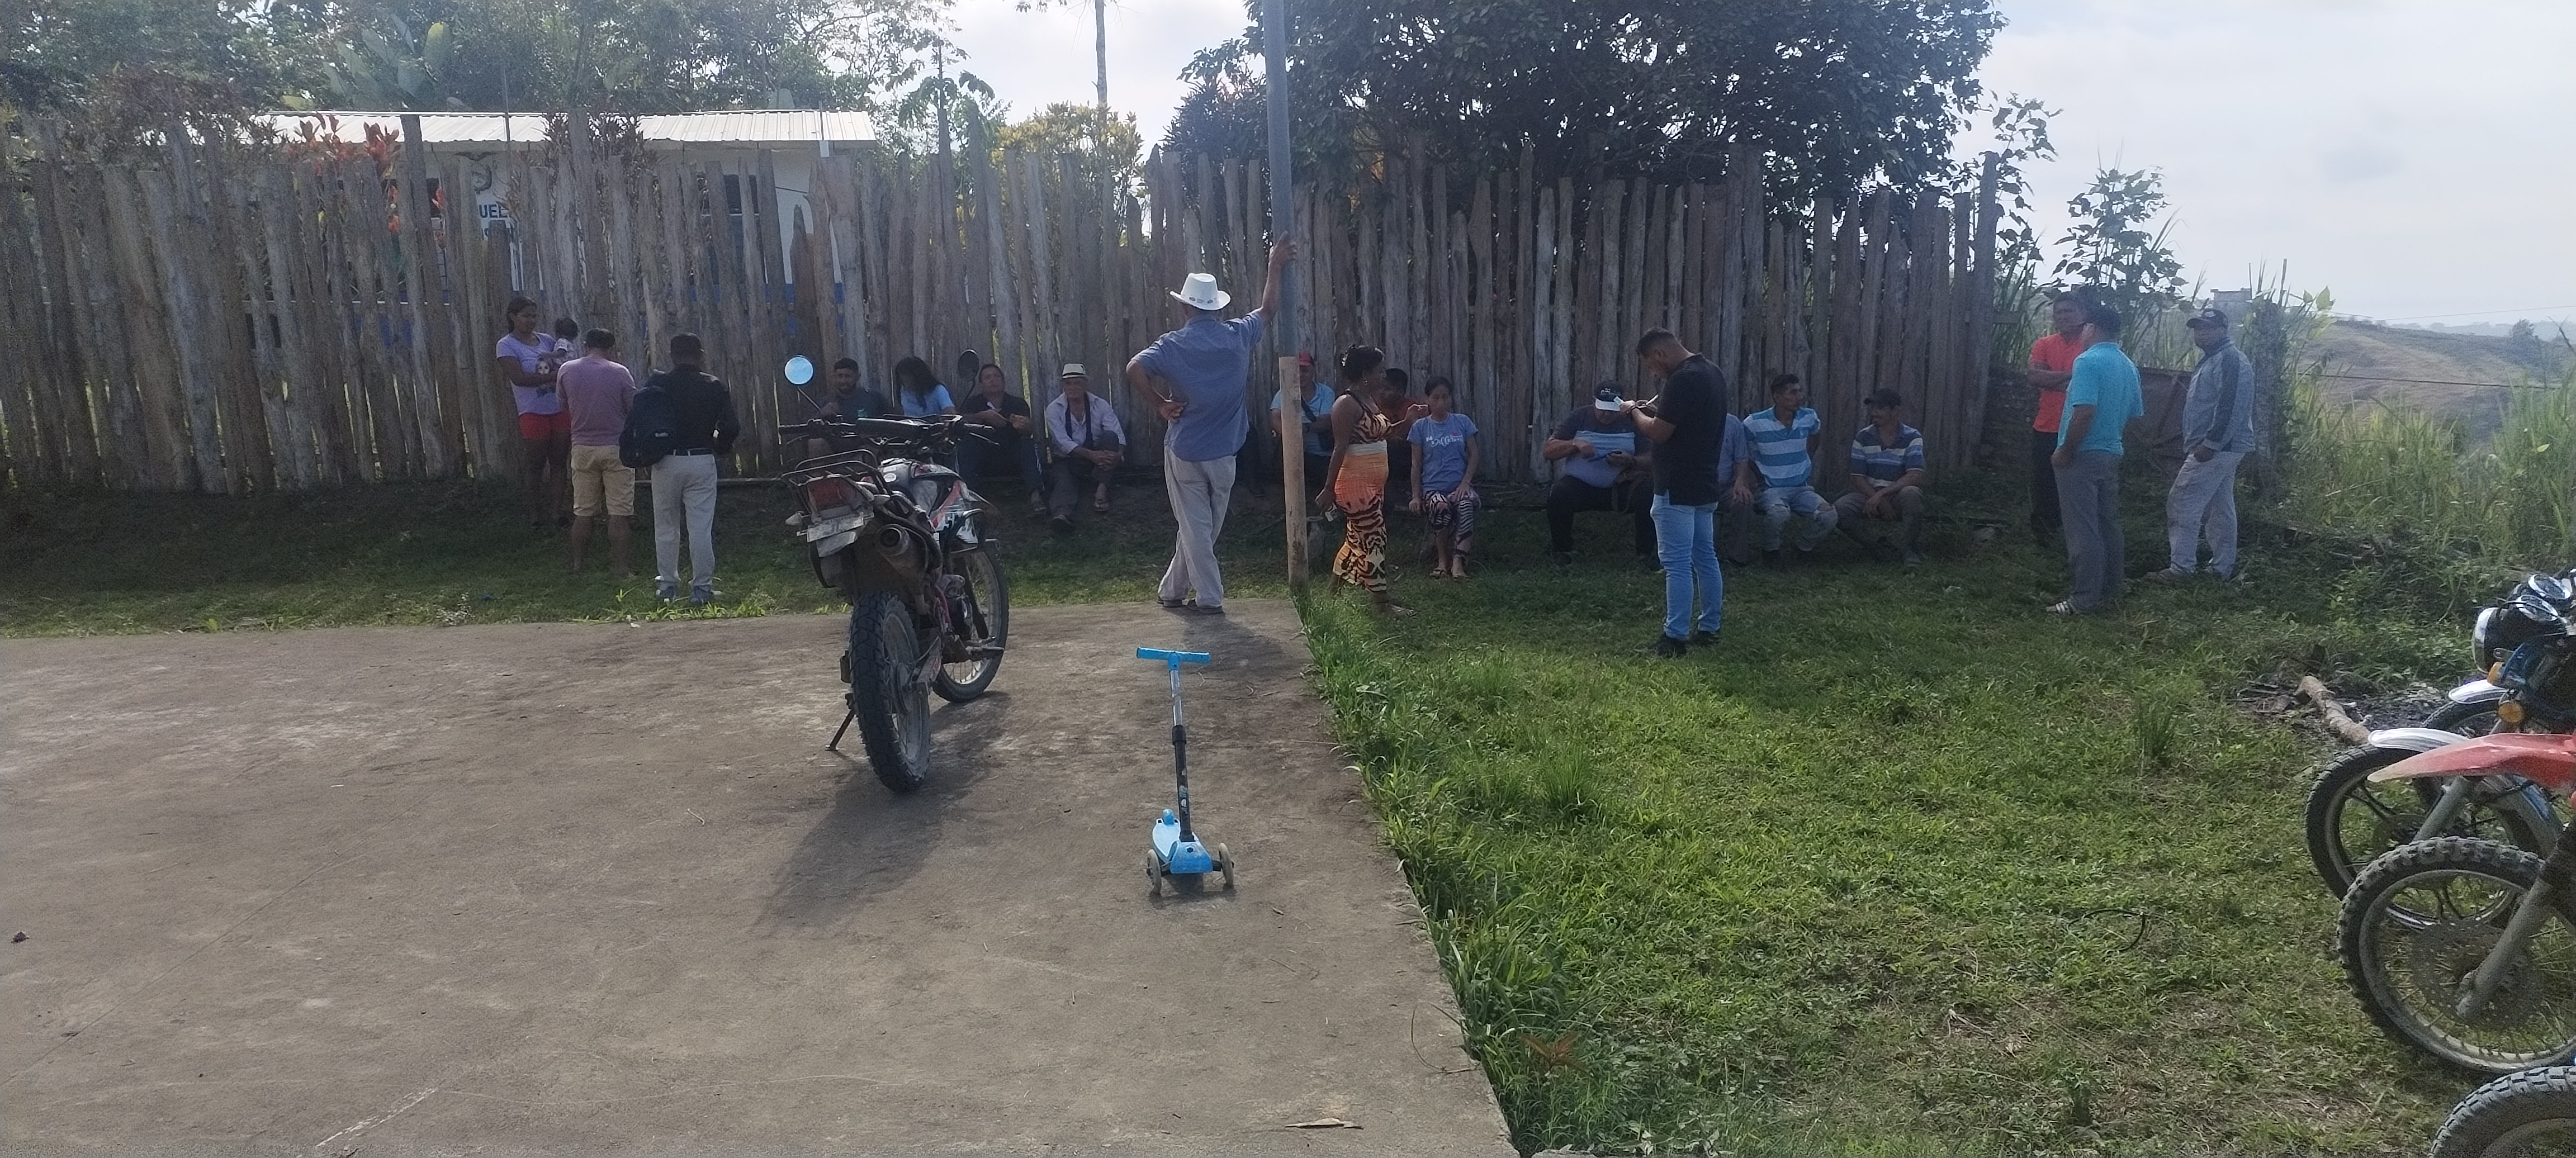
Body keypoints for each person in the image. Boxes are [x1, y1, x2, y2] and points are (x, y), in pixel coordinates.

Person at [1126, 239, 1292, 616]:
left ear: (1185, 307)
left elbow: (1134, 368)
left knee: (1195, 527)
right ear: (1216, 307)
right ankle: (1173, 590)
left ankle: (1208, 597)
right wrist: (1275, 265)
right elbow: (1268, 309)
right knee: (1202, 528)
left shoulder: (1172, 345)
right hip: (1226, 450)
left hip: (1185, 447)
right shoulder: (1238, 334)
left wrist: (1160, 404)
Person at [1628, 329, 1746, 657]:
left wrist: (1633, 412)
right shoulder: (1712, 372)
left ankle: (1674, 638)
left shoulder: (1682, 380)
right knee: (1705, 557)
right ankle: (1710, 627)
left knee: (1677, 563)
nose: (1654, 373)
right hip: (1705, 481)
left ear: (1659, 354)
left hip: (1676, 485)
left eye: (1651, 366)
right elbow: (1685, 424)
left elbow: (1659, 433)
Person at [2148, 307, 2258, 583]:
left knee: (2182, 500)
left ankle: (2181, 568)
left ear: (2223, 330)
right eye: (2198, 329)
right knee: (2220, 507)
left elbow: (2231, 406)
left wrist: (2211, 444)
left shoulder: (2230, 359)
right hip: (2223, 447)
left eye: (2208, 328)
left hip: (2218, 448)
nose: (2201, 333)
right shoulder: (2214, 359)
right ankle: (2221, 569)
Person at [1315, 345, 1427, 615]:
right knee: (1375, 538)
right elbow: (1339, 449)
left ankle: (1332, 592)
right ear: (1366, 374)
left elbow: (1383, 433)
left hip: (1373, 485)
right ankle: (1382, 604)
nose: (1383, 376)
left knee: (1356, 539)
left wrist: (1408, 421)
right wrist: (1329, 488)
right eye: (1379, 371)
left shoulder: (1370, 401)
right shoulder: (1346, 405)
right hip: (1355, 486)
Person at [2048, 301, 2144, 615]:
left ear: (2091, 327)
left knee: (2083, 528)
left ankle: (2083, 599)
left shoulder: (2087, 362)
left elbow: (2085, 411)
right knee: (2107, 524)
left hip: (2082, 454)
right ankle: (2111, 590)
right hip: (2111, 452)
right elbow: (2134, 415)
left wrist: (2066, 451)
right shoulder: (2128, 365)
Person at [643, 333, 741, 605]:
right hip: (700, 457)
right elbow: (731, 426)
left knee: (666, 526)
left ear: (672, 355)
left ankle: (667, 586)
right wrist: (721, 447)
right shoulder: (713, 385)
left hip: (666, 459)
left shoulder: (659, 383)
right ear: (701, 355)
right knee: (700, 528)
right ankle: (701, 588)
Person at [1542, 383, 1658, 565]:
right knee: (1559, 493)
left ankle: (1646, 553)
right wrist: (1575, 444)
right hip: (1581, 486)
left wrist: (1631, 461)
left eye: (1612, 411)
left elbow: (1651, 458)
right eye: (1602, 409)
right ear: (1595, 402)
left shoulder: (1632, 421)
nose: (1606, 415)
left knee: (1649, 492)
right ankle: (1562, 550)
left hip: (1621, 485)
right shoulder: (1579, 417)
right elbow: (1549, 451)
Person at [557, 328, 638, 576]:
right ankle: (622, 569)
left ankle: (578, 566)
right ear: (611, 348)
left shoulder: (567, 370)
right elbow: (632, 409)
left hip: (582, 446)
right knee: (619, 513)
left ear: (586, 345)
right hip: (616, 447)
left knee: (583, 512)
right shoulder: (620, 372)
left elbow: (562, 405)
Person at [1739, 372, 1836, 563]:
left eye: (1800, 391)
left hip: (1801, 488)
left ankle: (1803, 547)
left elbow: (1815, 436)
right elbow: (1740, 450)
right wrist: (1754, 474)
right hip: (1770, 488)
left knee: (1829, 514)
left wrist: (1805, 458)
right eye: (1793, 393)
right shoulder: (1755, 423)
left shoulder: (1809, 417)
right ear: (1777, 396)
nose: (1799, 397)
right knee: (1779, 514)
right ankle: (1770, 551)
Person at [494, 297, 571, 529]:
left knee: (559, 461)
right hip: (532, 410)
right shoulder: (506, 345)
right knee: (535, 463)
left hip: (558, 407)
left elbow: (564, 361)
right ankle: (534, 512)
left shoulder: (547, 340)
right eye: (526, 316)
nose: (531, 320)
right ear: (513, 317)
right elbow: (519, 378)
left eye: (534, 316)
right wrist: (553, 377)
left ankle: (557, 511)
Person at [1833, 387, 1928, 566]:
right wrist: (1876, 497)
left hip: (1897, 494)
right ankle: (1876, 547)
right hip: (1868, 494)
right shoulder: (1863, 437)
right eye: (1873, 408)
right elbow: (1858, 477)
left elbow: (1914, 475)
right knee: (1839, 509)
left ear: (1896, 411)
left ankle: (1909, 549)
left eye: (1881, 408)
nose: (1874, 413)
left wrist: (1882, 495)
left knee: (1912, 494)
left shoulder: (1912, 437)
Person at [2026, 293, 2087, 544]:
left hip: (2079, 426)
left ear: (2083, 314)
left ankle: (2074, 537)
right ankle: (2044, 537)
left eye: (2069, 311)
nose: (2063, 317)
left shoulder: (2090, 345)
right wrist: (2071, 376)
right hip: (2047, 425)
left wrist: (2053, 378)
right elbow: (2034, 377)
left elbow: (2088, 382)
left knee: (2077, 485)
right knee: (2044, 484)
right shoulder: (2044, 344)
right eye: (2059, 312)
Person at [1407, 376, 1481, 579]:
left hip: (1459, 486)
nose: (1441, 402)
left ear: (1451, 398)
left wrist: (1465, 484)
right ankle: (1442, 560)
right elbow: (1416, 465)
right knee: (1440, 506)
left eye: (1445, 397)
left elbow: (1474, 455)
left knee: (1466, 505)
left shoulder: (1462, 422)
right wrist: (1416, 496)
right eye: (1436, 398)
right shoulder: (1420, 427)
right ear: (1428, 399)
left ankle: (1459, 561)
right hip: (1433, 488)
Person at [1044, 363, 1126, 530]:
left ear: (1085, 385)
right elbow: (1062, 443)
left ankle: (1102, 491)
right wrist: (1091, 455)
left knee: (1111, 438)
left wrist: (1118, 454)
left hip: (1098, 458)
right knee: (1064, 483)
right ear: (1063, 386)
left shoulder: (1100, 405)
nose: (1073, 387)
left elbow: (1117, 432)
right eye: (1068, 383)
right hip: (1067, 460)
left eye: (1077, 383)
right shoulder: (1054, 409)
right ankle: (1062, 516)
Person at [959, 362, 1045, 513]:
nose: (993, 380)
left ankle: (1036, 495)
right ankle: (968, 497)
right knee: (965, 446)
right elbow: (961, 423)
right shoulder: (973, 404)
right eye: (987, 378)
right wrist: (982, 416)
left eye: (996, 376)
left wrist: (1023, 426)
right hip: (983, 458)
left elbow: (1029, 431)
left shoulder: (1017, 403)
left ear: (1004, 382)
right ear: (981, 384)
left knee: (1028, 444)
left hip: (1011, 456)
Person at [1270, 351, 1334, 488]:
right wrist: (1294, 437)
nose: (1300, 375)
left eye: (1305, 371)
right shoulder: (1283, 393)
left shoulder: (1326, 393)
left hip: (1321, 454)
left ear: (1313, 371)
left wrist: (1304, 429)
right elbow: (1275, 419)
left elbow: (1326, 422)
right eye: (1297, 371)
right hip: (1295, 452)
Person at [819, 357, 892, 419]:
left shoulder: (875, 399)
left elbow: (893, 421)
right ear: (834, 377)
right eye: (840, 376)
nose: (843, 381)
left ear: (858, 377)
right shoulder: (826, 403)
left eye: (848, 376)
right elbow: (814, 426)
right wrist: (821, 415)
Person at [892, 357, 956, 417]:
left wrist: (948, 414)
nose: (904, 383)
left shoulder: (939, 390)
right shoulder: (904, 393)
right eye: (901, 379)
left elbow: (951, 413)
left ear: (919, 376)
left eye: (908, 379)